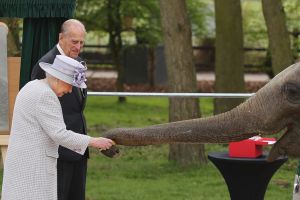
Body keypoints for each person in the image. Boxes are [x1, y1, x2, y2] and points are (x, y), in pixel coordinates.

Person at [1, 55, 114, 199]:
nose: (70, 91)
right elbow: (60, 134)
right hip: (35, 166)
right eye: (70, 85)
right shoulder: (46, 95)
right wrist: (94, 141)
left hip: (23, 163)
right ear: (59, 79)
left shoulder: (32, 86)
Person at [31, 19, 89, 200]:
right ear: (61, 37)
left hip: (78, 147)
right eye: (74, 41)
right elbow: (39, 108)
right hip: (57, 151)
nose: (78, 46)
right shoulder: (46, 65)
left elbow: (78, 104)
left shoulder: (79, 62)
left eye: (81, 42)